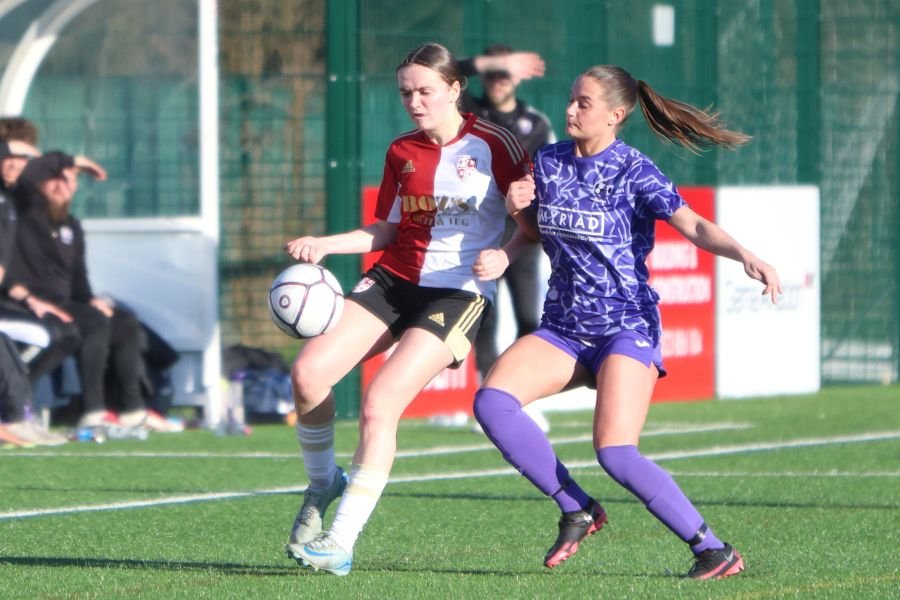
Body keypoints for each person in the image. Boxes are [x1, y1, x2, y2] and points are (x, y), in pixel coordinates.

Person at [472, 65, 781, 579]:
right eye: (571, 100)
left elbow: (695, 224)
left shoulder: (634, 169)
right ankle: (576, 506)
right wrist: (511, 228)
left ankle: (714, 549)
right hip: (564, 329)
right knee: (491, 401)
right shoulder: (546, 162)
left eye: (584, 103)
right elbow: (533, 231)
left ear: (616, 115)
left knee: (615, 452)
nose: (570, 110)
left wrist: (745, 254)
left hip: (624, 327)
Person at [283, 42, 531, 576]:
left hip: (458, 293)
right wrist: (327, 243)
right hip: (394, 278)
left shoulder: (496, 143)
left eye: (425, 91)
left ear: (454, 89)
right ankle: (324, 482)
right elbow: (386, 229)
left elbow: (528, 225)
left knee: (380, 402)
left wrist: (503, 254)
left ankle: (340, 541)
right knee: (307, 375)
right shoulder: (401, 150)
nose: (415, 102)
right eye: (406, 93)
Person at [3, 151, 177, 432]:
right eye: (54, 180)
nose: (61, 186)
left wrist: (93, 299)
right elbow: (30, 172)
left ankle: (132, 410)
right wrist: (73, 161)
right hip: (28, 304)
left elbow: (79, 282)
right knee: (92, 322)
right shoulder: (26, 213)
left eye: (68, 181)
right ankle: (92, 410)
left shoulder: (72, 226)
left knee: (123, 322)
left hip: (67, 303)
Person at [460, 45, 556, 432]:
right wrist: (491, 62)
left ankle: (521, 397)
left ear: (517, 79)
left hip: (522, 237)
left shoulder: (535, 123)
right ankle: (489, 398)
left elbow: (550, 178)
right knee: (483, 317)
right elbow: (444, 69)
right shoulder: (468, 113)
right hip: (479, 235)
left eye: (505, 75)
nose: (498, 82)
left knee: (530, 317)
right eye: (492, 74)